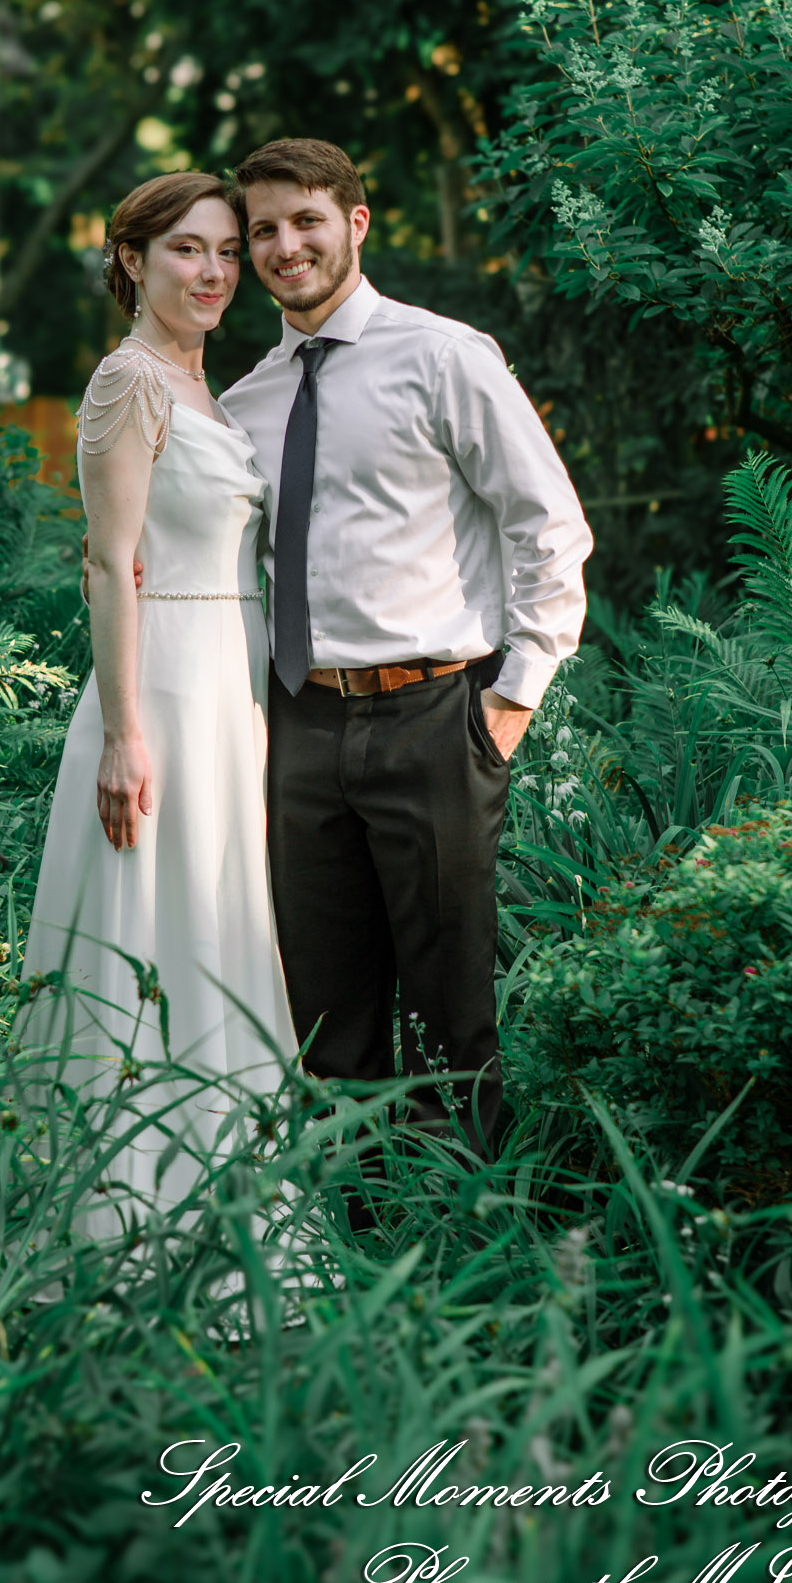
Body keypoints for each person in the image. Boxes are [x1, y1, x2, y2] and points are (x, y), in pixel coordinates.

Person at [219, 137, 592, 1156]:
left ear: (355, 222)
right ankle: (353, 1238)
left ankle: (466, 1242)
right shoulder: (244, 401)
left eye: (305, 221)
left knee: (447, 1010)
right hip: (296, 727)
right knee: (325, 1020)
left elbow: (549, 526)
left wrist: (511, 701)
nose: (285, 246)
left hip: (435, 715)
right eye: (264, 230)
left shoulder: (444, 357)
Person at [17, 171, 296, 1225]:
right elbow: (108, 562)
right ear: (132, 260)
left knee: (222, 927)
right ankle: (124, 1218)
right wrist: (127, 736)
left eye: (228, 251)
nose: (215, 271)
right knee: (156, 929)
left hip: (232, 691)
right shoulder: (126, 383)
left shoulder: (206, 388)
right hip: (166, 693)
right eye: (189, 249)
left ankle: (226, 1197)